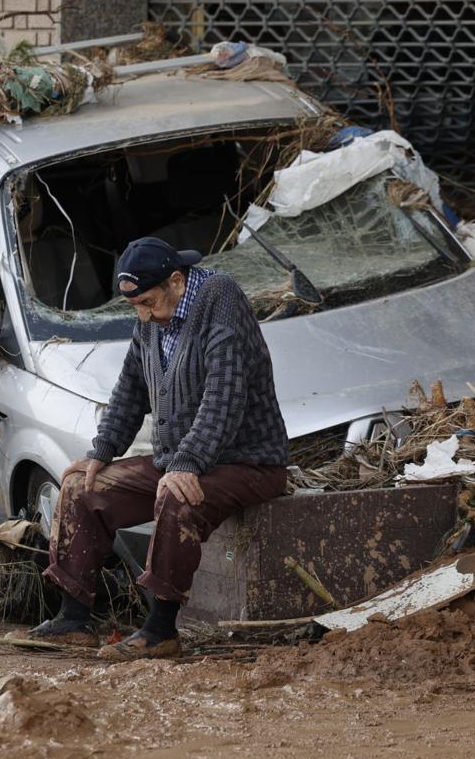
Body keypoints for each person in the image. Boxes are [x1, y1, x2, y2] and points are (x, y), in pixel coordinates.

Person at [30, 236, 290, 660]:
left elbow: (225, 394)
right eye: (136, 307)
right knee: (81, 486)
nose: (144, 314)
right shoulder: (151, 319)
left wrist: (188, 461)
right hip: (181, 459)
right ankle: (73, 620)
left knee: (177, 494)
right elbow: (130, 387)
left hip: (247, 462)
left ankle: (161, 629)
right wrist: (103, 449)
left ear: (176, 281)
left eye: (149, 302)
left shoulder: (220, 299)